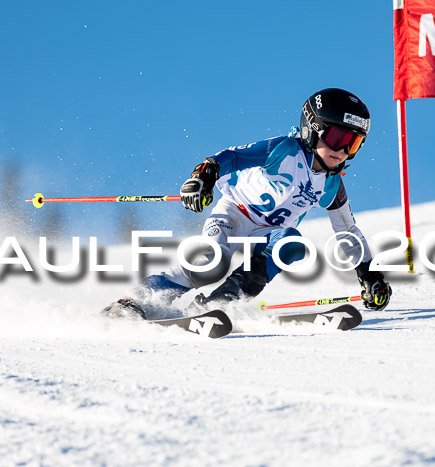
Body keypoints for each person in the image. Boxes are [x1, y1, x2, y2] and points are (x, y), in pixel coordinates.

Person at [103, 88, 392, 319]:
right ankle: (134, 301)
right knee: (210, 264)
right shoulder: (283, 149)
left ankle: (220, 301)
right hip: (234, 215)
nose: (342, 151)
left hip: (267, 235)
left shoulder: (331, 185)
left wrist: (369, 273)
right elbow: (230, 157)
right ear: (312, 128)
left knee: (290, 244)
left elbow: (347, 232)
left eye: (352, 144)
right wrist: (202, 176)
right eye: (337, 137)